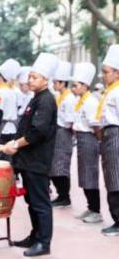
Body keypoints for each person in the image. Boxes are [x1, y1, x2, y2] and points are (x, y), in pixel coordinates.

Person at [4, 52, 59, 257]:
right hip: (28, 160)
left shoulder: (46, 100)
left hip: (37, 159)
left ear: (46, 80)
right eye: (30, 76)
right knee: (31, 202)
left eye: (35, 77)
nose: (30, 80)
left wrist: (15, 144)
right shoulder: (36, 98)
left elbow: (37, 131)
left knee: (40, 203)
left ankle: (44, 243)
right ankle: (35, 235)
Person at [70, 62, 102, 224]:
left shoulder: (90, 102)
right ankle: (90, 207)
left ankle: (96, 211)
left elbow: (95, 125)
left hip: (89, 139)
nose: (73, 88)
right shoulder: (81, 100)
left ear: (84, 86)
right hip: (81, 139)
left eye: (75, 85)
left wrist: (98, 141)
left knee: (90, 174)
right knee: (84, 174)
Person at [95, 44, 119, 236]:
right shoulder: (110, 91)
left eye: (106, 72)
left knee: (116, 179)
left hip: (116, 135)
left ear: (117, 73)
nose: (104, 75)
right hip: (108, 136)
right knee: (111, 178)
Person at [50, 61, 76, 207]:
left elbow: (69, 121)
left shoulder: (69, 99)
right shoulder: (60, 97)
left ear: (61, 83)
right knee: (55, 165)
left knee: (61, 165)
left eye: (55, 82)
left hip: (63, 133)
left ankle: (64, 196)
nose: (53, 85)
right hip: (57, 132)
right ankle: (61, 194)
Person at [0, 59, 21, 160]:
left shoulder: (0, 92)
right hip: (12, 131)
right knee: (8, 162)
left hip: (2, 132)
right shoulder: (12, 92)